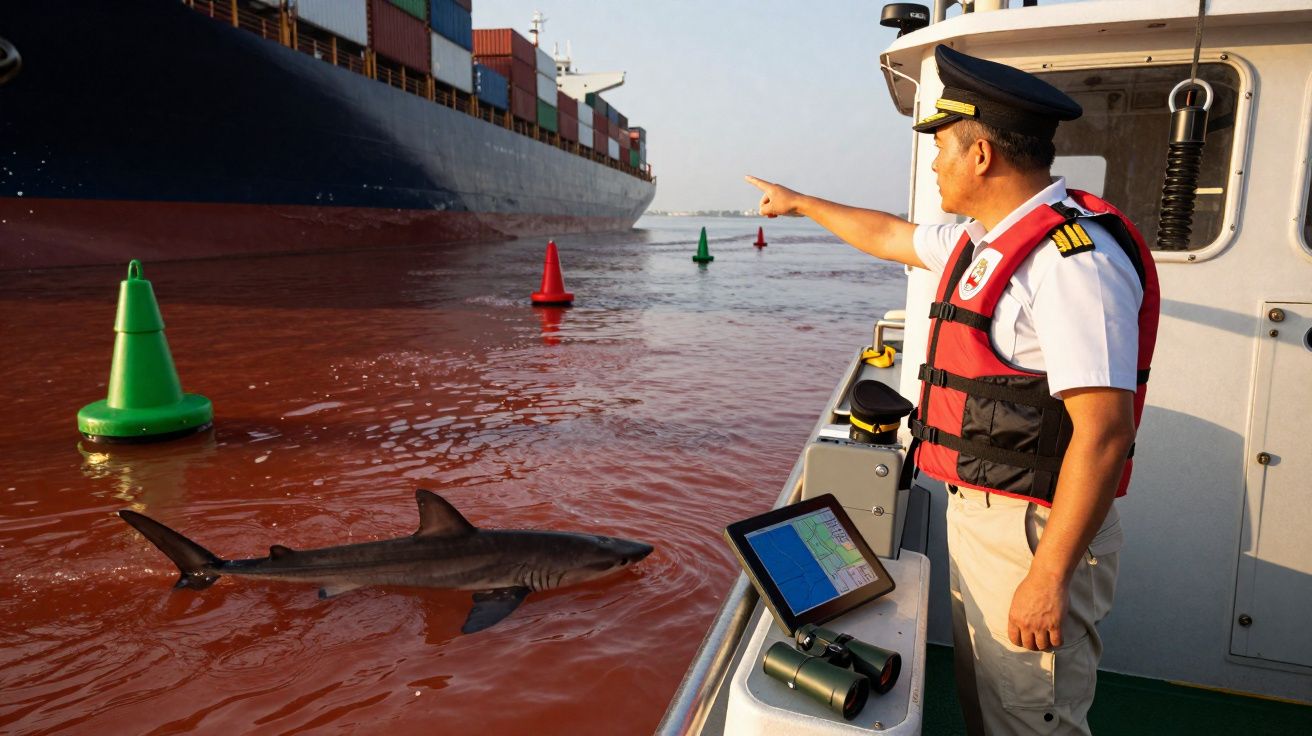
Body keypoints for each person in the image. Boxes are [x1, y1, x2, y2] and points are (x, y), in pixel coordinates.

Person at [746, 44, 1159, 735]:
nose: (934, 165)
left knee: (1032, 719)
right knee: (989, 707)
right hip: (983, 517)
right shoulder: (987, 241)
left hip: (1034, 531)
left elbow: (1106, 430)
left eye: (941, 148)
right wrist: (799, 203)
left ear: (981, 156)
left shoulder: (1071, 264)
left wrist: (1049, 577)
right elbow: (889, 235)